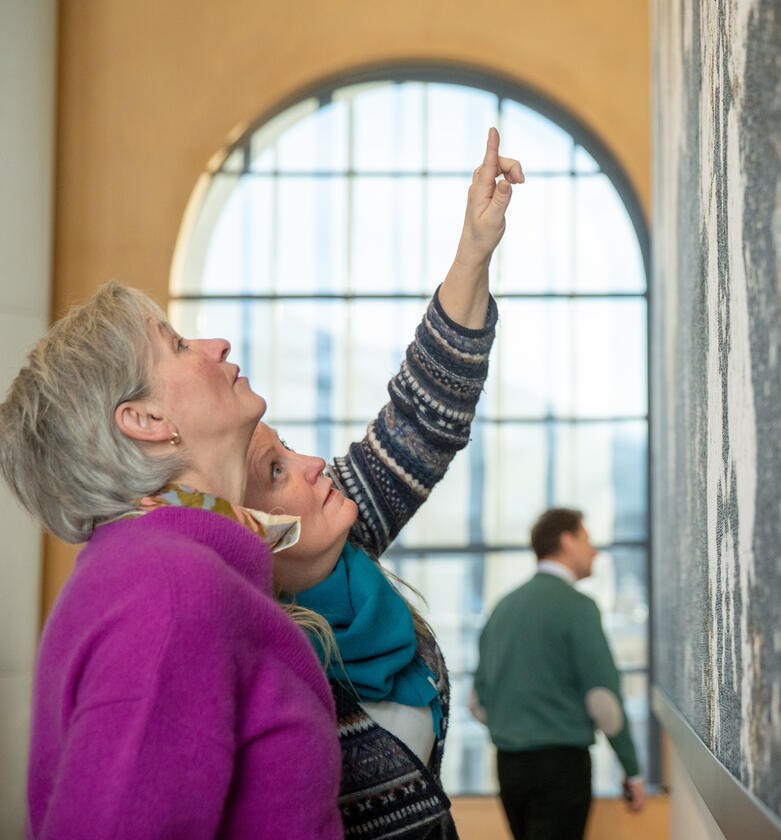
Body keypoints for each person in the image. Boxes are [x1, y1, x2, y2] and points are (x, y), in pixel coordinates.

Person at [242, 127, 522, 840]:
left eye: (289, 450)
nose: (313, 466)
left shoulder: (347, 539)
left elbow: (426, 412)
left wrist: (474, 248)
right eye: (277, 473)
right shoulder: (257, 653)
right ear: (251, 531)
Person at [0, 283, 342, 838]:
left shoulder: (160, 567)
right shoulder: (169, 587)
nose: (218, 345)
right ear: (147, 419)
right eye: (177, 346)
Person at [471, 507, 646, 840]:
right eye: (587, 539)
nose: (594, 550)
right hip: (561, 765)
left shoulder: (503, 607)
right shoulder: (578, 607)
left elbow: (478, 702)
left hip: (509, 766)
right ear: (567, 541)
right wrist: (632, 769)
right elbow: (603, 699)